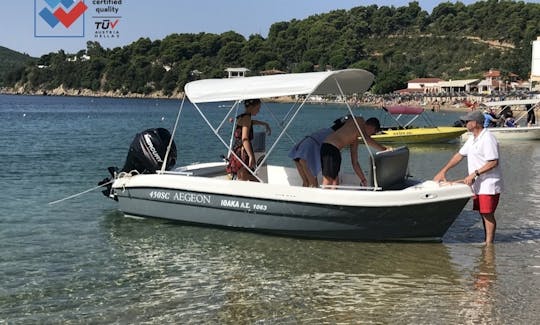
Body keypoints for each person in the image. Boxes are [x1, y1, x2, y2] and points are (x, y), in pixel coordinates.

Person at [433, 110, 503, 244]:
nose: (464, 123)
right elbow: (459, 155)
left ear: (475, 123)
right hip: (478, 184)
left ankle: (489, 244)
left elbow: (493, 162)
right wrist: (443, 171)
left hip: (489, 184)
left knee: (488, 214)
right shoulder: (472, 138)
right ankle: (487, 242)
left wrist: (474, 174)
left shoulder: (488, 138)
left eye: (467, 121)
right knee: (483, 213)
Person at [320, 116, 388, 188]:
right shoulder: (359, 120)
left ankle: (333, 198)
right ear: (372, 127)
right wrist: (384, 149)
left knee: (335, 182)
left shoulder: (354, 139)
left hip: (335, 151)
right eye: (372, 133)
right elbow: (366, 138)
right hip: (330, 147)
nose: (370, 136)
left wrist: (363, 179)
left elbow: (355, 163)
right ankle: (320, 198)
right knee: (328, 180)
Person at [288, 115, 348, 187]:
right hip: (308, 150)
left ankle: (305, 188)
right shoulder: (334, 136)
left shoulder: (325, 130)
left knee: (305, 179)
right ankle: (313, 192)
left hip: (301, 147)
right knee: (312, 181)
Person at [226, 99, 271, 181]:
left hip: (237, 148)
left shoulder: (243, 116)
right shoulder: (247, 118)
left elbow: (251, 122)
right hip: (243, 150)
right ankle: (259, 183)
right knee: (244, 175)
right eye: (257, 108)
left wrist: (264, 124)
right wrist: (251, 156)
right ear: (251, 107)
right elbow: (245, 138)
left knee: (241, 174)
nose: (258, 111)